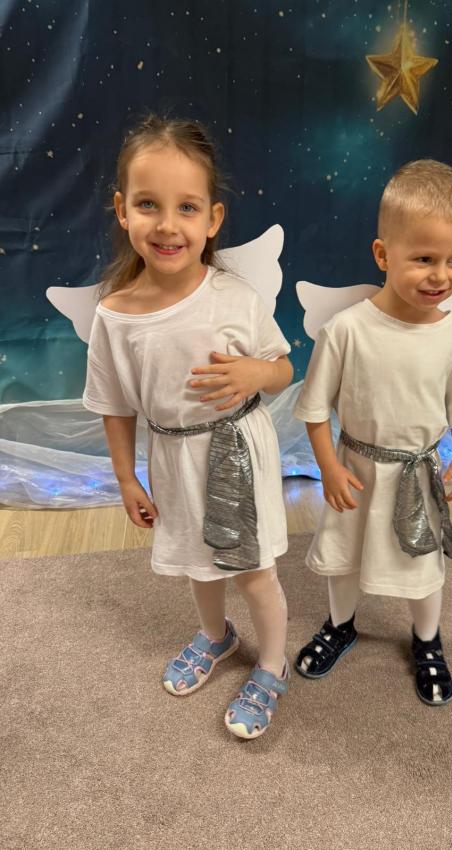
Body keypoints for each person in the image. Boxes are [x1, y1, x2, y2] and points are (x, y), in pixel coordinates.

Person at [83, 115, 293, 739]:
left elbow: (283, 369)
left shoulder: (235, 298)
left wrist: (256, 372)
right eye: (149, 204)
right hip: (173, 458)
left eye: (187, 207)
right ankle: (215, 635)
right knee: (199, 563)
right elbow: (114, 405)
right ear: (122, 210)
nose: (168, 225)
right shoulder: (115, 317)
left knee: (252, 570)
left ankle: (272, 665)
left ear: (213, 219)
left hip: (240, 451)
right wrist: (127, 479)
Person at [293, 159, 452, 705]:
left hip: (417, 475)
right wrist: (328, 466)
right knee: (344, 553)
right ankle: (340, 624)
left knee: (422, 562)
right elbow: (314, 408)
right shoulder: (347, 330)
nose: (440, 275)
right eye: (424, 258)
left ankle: (427, 638)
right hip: (355, 469)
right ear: (383, 254)